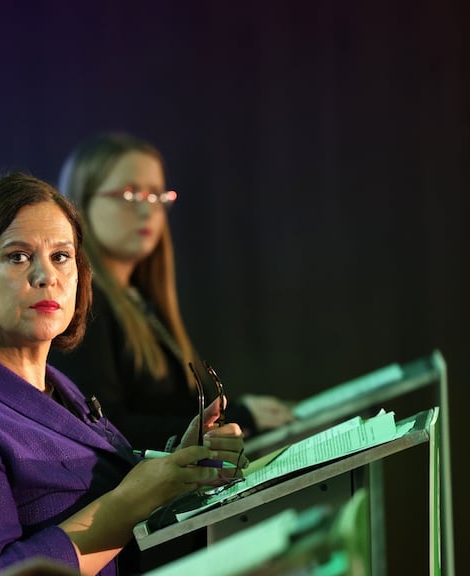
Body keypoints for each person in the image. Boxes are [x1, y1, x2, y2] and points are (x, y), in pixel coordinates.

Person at [0, 172, 247, 576]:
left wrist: (174, 467)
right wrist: (130, 503)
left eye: (61, 256)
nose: (46, 276)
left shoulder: (49, 381)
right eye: (18, 256)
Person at [51, 132, 295, 454]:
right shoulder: (84, 303)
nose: (147, 211)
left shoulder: (139, 301)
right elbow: (106, 429)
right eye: (129, 194)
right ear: (80, 202)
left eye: (156, 196)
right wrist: (237, 417)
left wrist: (236, 412)